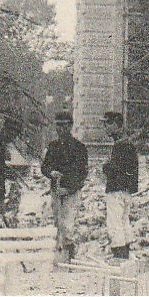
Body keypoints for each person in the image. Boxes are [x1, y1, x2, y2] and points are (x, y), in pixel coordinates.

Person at [41, 110, 88, 260]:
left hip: (71, 193)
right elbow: (45, 166)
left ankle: (70, 259)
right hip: (56, 192)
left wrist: (68, 189)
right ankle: (57, 258)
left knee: (68, 227)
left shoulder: (79, 148)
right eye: (58, 126)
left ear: (70, 126)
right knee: (57, 226)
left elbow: (82, 173)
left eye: (63, 126)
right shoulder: (52, 146)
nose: (60, 129)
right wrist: (51, 173)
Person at [101, 111, 138, 260]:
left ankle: (120, 261)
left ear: (117, 124)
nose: (105, 127)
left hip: (116, 191)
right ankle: (126, 260)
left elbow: (115, 169)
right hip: (126, 191)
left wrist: (106, 167)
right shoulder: (127, 143)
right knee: (124, 224)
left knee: (115, 226)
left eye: (108, 123)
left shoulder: (120, 145)